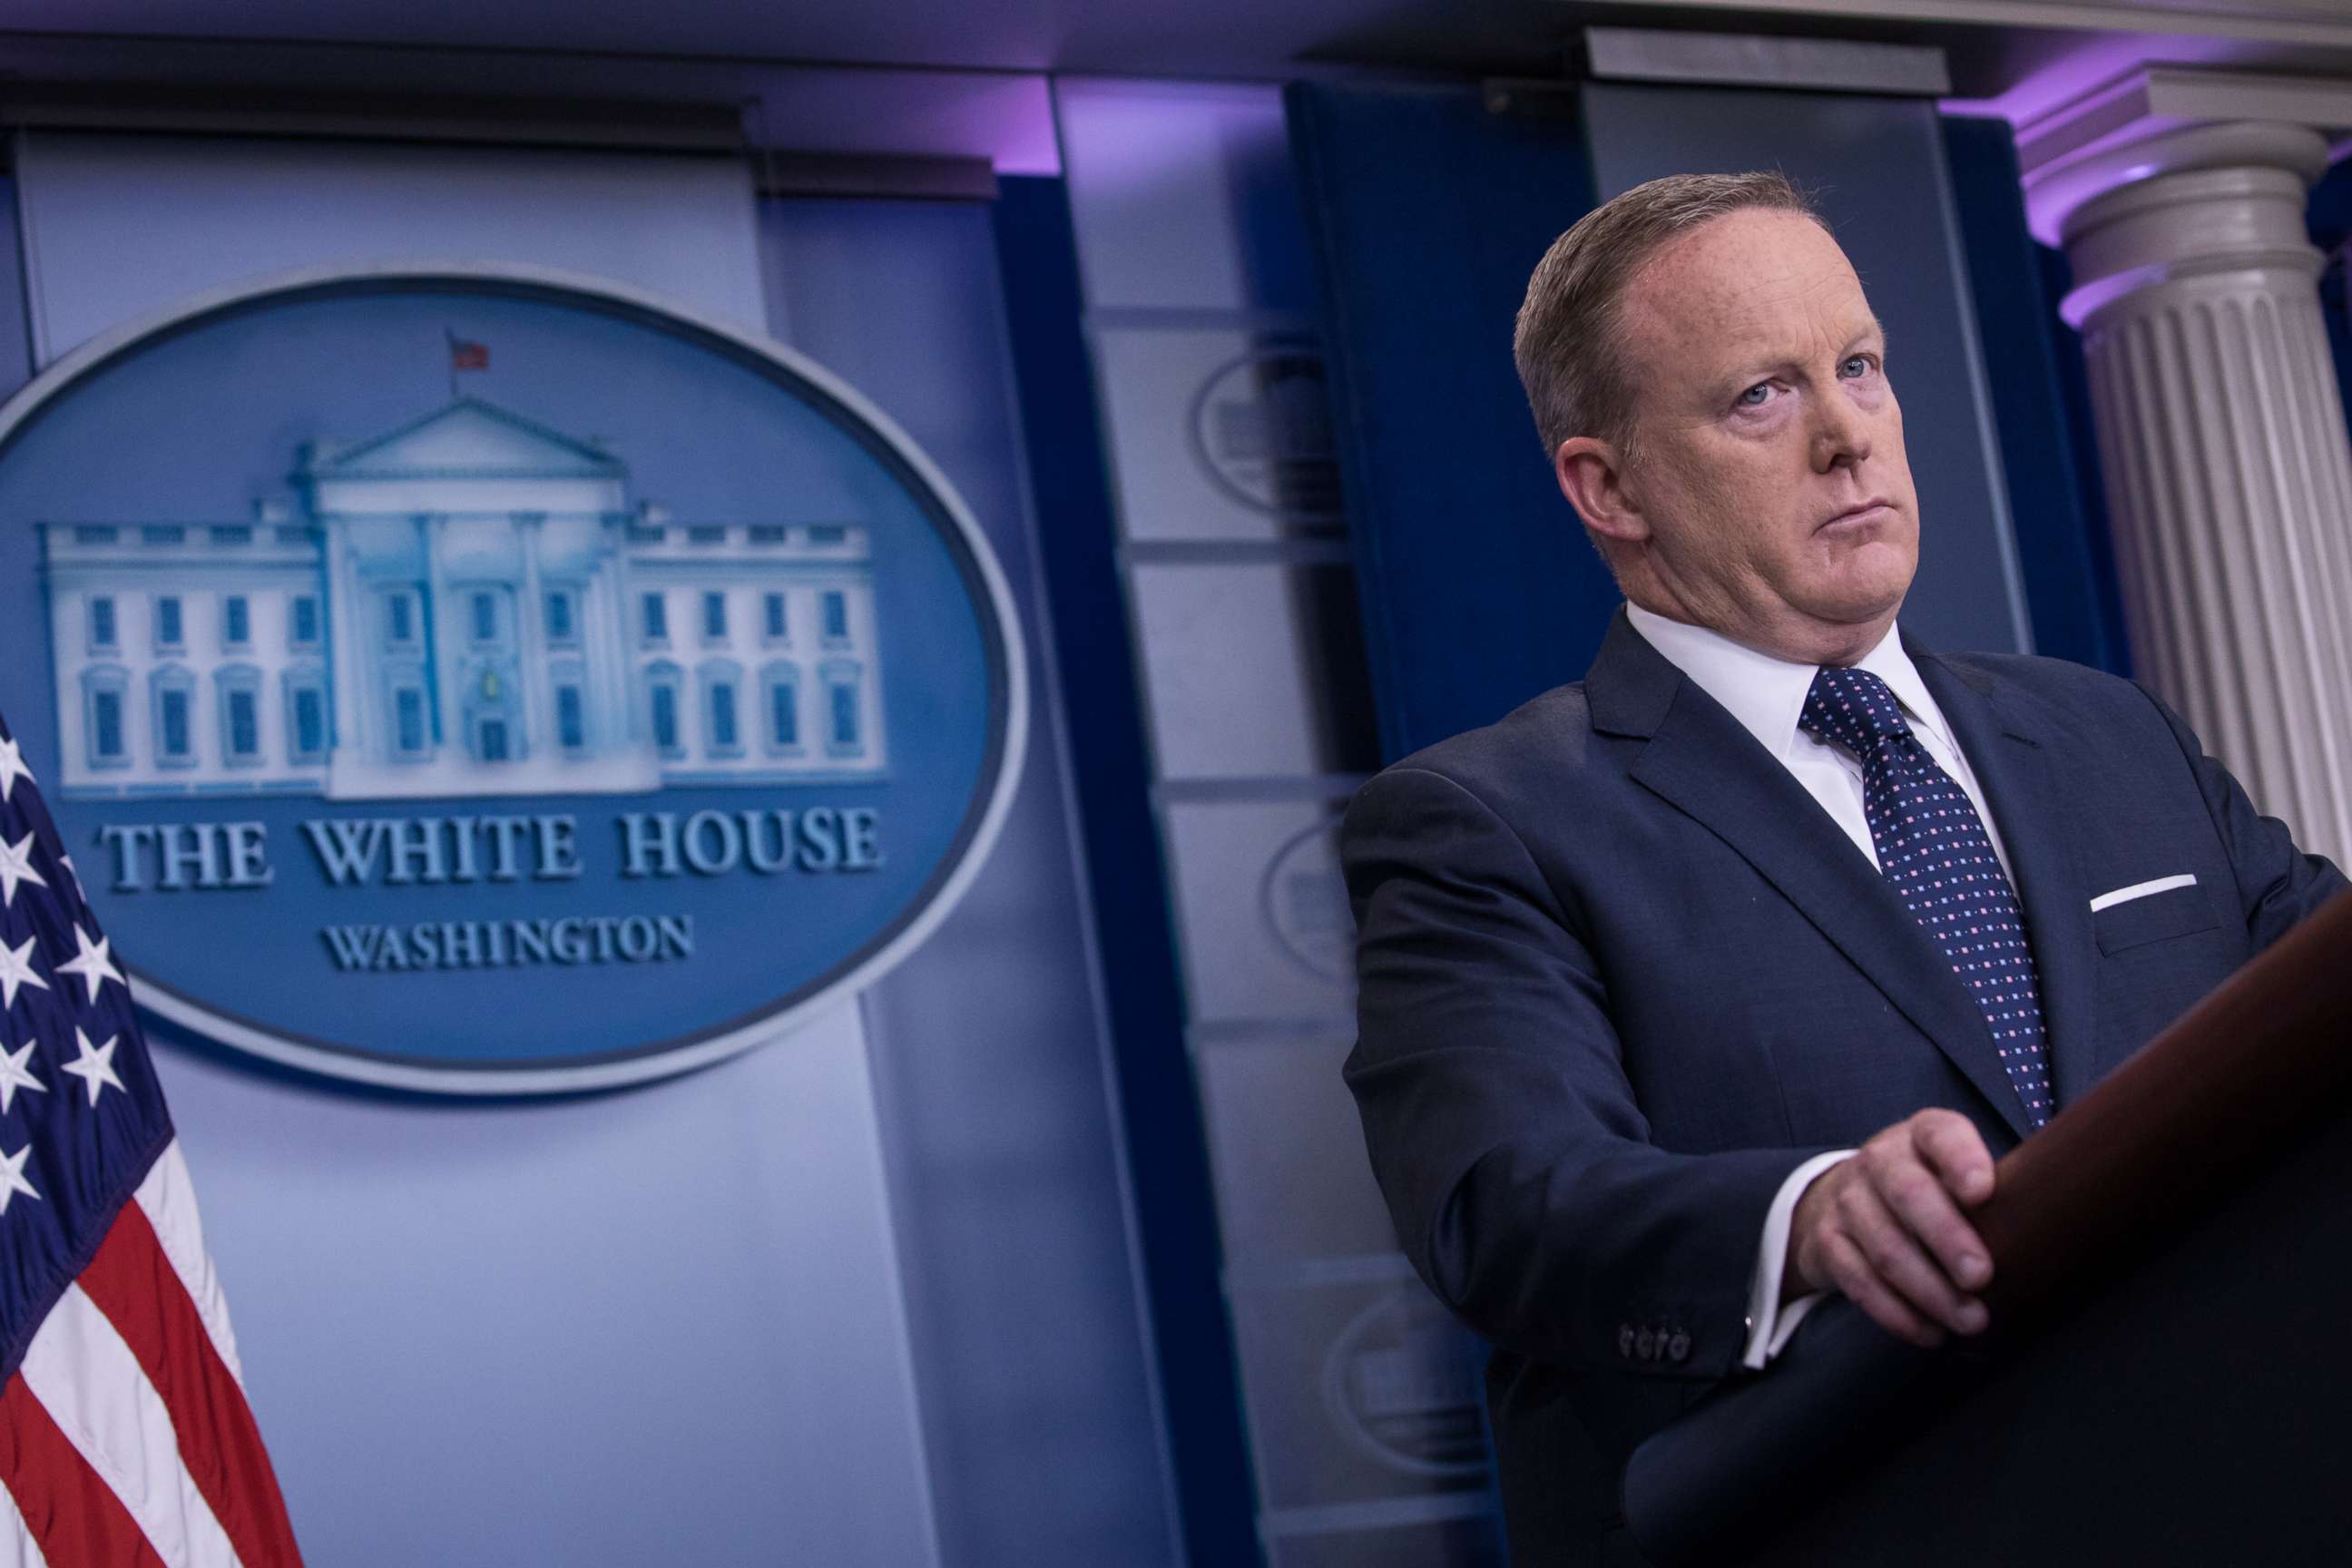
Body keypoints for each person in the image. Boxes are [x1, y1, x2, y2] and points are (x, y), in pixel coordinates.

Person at [1339, 170, 2346, 1565]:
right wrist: (1805, 1219)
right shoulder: (1484, 823)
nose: (1845, 436)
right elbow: (1507, 1204)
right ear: (1608, 485)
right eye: (1762, 394)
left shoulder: (2111, 733)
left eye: (1860, 368)